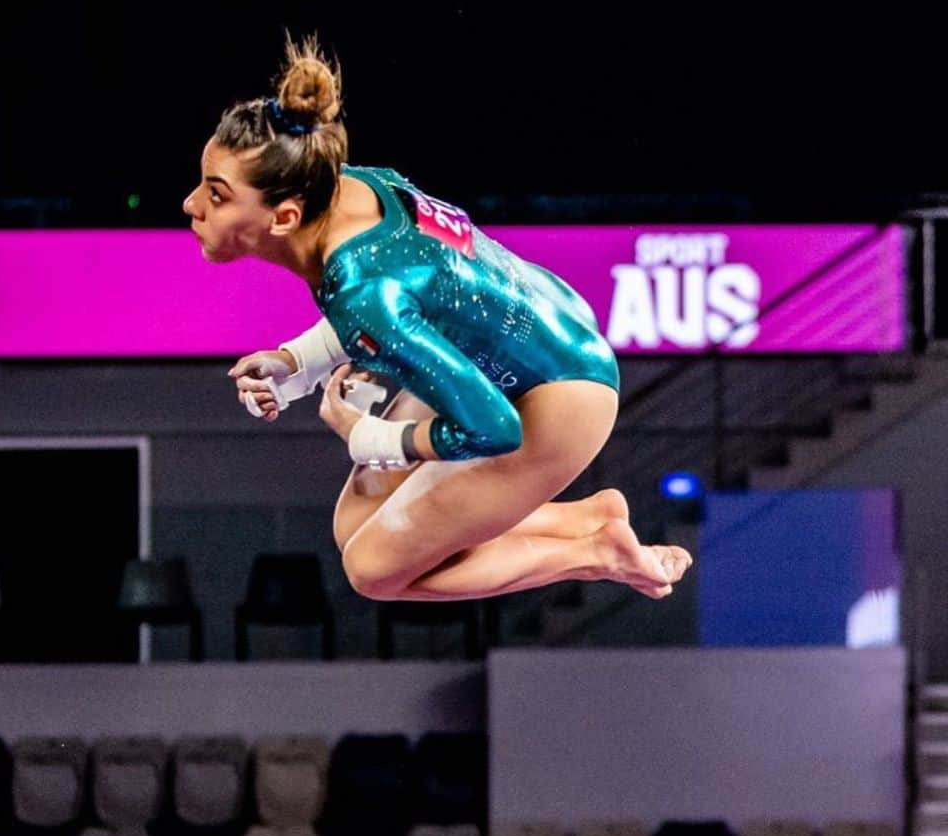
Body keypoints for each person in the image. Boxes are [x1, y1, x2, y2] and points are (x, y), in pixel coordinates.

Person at [183, 34, 691, 603]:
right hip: (527, 332)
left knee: (374, 569)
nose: (191, 205)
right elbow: (399, 301)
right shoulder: (348, 184)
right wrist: (296, 363)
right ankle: (586, 518)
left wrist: (375, 436)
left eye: (217, 195)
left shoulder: (359, 290)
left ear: (285, 217)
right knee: (357, 526)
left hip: (563, 396)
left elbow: (493, 428)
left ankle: (593, 550)